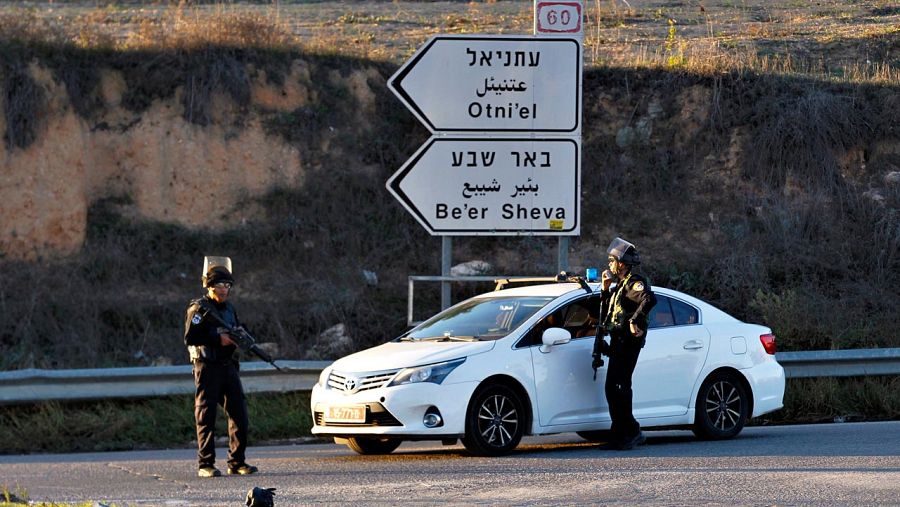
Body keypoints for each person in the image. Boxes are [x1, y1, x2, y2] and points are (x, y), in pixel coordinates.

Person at [184, 259, 258, 478]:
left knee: (239, 415)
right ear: (209, 286)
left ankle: (237, 462)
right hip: (207, 367)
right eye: (219, 285)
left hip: (228, 366)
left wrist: (239, 337)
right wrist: (218, 338)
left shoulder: (229, 309)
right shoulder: (199, 308)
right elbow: (190, 337)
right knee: (205, 416)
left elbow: (236, 328)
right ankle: (205, 464)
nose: (224, 289)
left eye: (227, 285)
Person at [592, 237, 657, 450]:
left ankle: (629, 433)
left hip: (629, 342)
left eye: (612, 260)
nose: (609, 264)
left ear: (621, 263)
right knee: (614, 387)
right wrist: (604, 288)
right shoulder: (620, 284)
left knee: (619, 387)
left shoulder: (633, 281)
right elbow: (606, 312)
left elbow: (649, 299)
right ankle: (624, 432)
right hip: (619, 342)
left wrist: (634, 321)